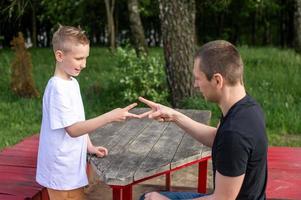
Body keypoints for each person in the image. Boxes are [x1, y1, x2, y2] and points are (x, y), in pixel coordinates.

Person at [139, 40, 268, 200]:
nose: (195, 85)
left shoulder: (235, 133)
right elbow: (217, 138)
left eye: (198, 78)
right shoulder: (247, 107)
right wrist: (174, 115)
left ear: (217, 80)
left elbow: (221, 199)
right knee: (149, 196)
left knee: (149, 198)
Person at [36, 25, 140, 200]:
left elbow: (78, 119)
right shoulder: (56, 88)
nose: (84, 64)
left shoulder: (72, 83)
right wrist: (109, 117)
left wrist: (89, 146)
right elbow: (73, 129)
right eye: (78, 58)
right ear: (59, 56)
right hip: (59, 169)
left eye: (86, 58)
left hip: (71, 167)